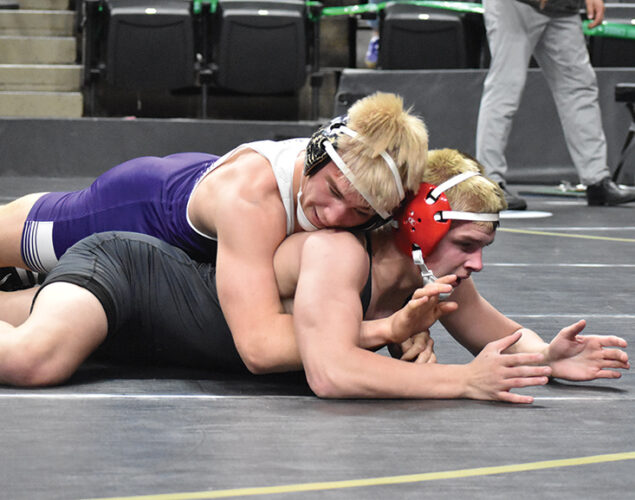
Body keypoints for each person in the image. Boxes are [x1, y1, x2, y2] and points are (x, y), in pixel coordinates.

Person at [0, 149, 628, 402]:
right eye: (466, 244)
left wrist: (547, 358)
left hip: (153, 334)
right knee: (33, 361)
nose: (476, 264)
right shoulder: (337, 252)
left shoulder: (427, 280)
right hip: (129, 278)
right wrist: (462, 379)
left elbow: (494, 330)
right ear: (418, 226)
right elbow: (331, 372)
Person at [0, 92, 429, 369]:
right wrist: (385, 327)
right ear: (317, 154)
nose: (334, 216)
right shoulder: (252, 198)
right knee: (32, 240)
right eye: (332, 191)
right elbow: (258, 345)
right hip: (137, 208)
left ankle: (24, 285)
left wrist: (407, 311)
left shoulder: (365, 189)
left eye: (359, 212)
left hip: (183, 240)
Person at [476, 0, 635, 210]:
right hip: (516, 5)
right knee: (506, 86)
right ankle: (490, 184)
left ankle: (597, 180)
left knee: (579, 86)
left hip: (561, 7)